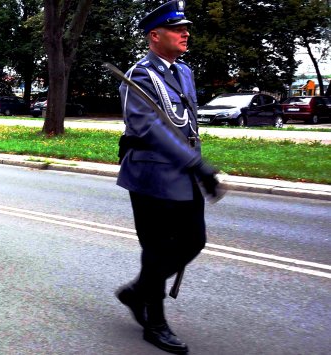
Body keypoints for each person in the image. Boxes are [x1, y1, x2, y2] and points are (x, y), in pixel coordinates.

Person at [115, 2, 222, 354]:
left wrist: (197, 163)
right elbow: (148, 128)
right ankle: (155, 323)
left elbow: (187, 123)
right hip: (151, 175)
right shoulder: (140, 75)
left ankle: (137, 292)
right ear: (154, 36)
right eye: (178, 29)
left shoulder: (185, 72)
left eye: (186, 28)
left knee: (194, 240)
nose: (185, 33)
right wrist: (196, 164)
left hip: (184, 171)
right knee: (157, 249)